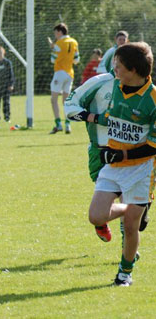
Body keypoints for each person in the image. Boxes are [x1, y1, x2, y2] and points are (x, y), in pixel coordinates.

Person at [65, 42, 156, 286]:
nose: (113, 70)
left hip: (141, 169)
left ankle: (125, 273)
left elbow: (154, 146)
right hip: (113, 165)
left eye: (118, 66)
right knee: (96, 216)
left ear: (134, 70)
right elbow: (113, 116)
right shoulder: (115, 86)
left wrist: (123, 156)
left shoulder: (154, 99)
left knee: (131, 227)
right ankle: (132, 208)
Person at [48, 23, 80, 134]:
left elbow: (53, 59)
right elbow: (76, 60)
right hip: (70, 73)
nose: (55, 35)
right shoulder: (74, 42)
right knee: (66, 101)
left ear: (59, 32)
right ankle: (68, 125)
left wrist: (53, 48)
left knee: (54, 100)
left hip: (59, 72)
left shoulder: (59, 43)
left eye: (55, 33)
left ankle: (58, 124)